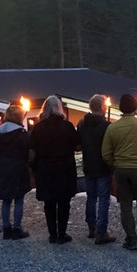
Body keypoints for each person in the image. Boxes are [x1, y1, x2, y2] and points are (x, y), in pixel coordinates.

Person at [102, 94, 137, 250]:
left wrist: (115, 165)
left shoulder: (112, 128)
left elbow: (106, 153)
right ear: (135, 107)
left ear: (120, 108)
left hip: (121, 170)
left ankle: (130, 239)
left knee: (125, 205)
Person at [30, 96, 80, 244]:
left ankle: (52, 234)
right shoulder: (68, 126)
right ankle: (62, 233)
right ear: (59, 108)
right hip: (64, 168)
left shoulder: (38, 128)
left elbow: (32, 151)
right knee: (64, 203)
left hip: (45, 168)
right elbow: (77, 146)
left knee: (49, 203)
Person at [77, 95, 116, 245]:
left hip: (88, 165)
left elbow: (79, 144)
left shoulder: (82, 124)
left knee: (91, 197)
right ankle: (101, 231)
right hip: (103, 167)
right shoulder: (106, 126)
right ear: (102, 107)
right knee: (104, 199)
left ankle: (91, 227)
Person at [0, 105, 31, 240]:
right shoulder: (21, 134)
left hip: (3, 167)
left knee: (6, 200)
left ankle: (6, 228)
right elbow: (27, 152)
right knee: (19, 199)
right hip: (18, 168)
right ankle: (17, 228)